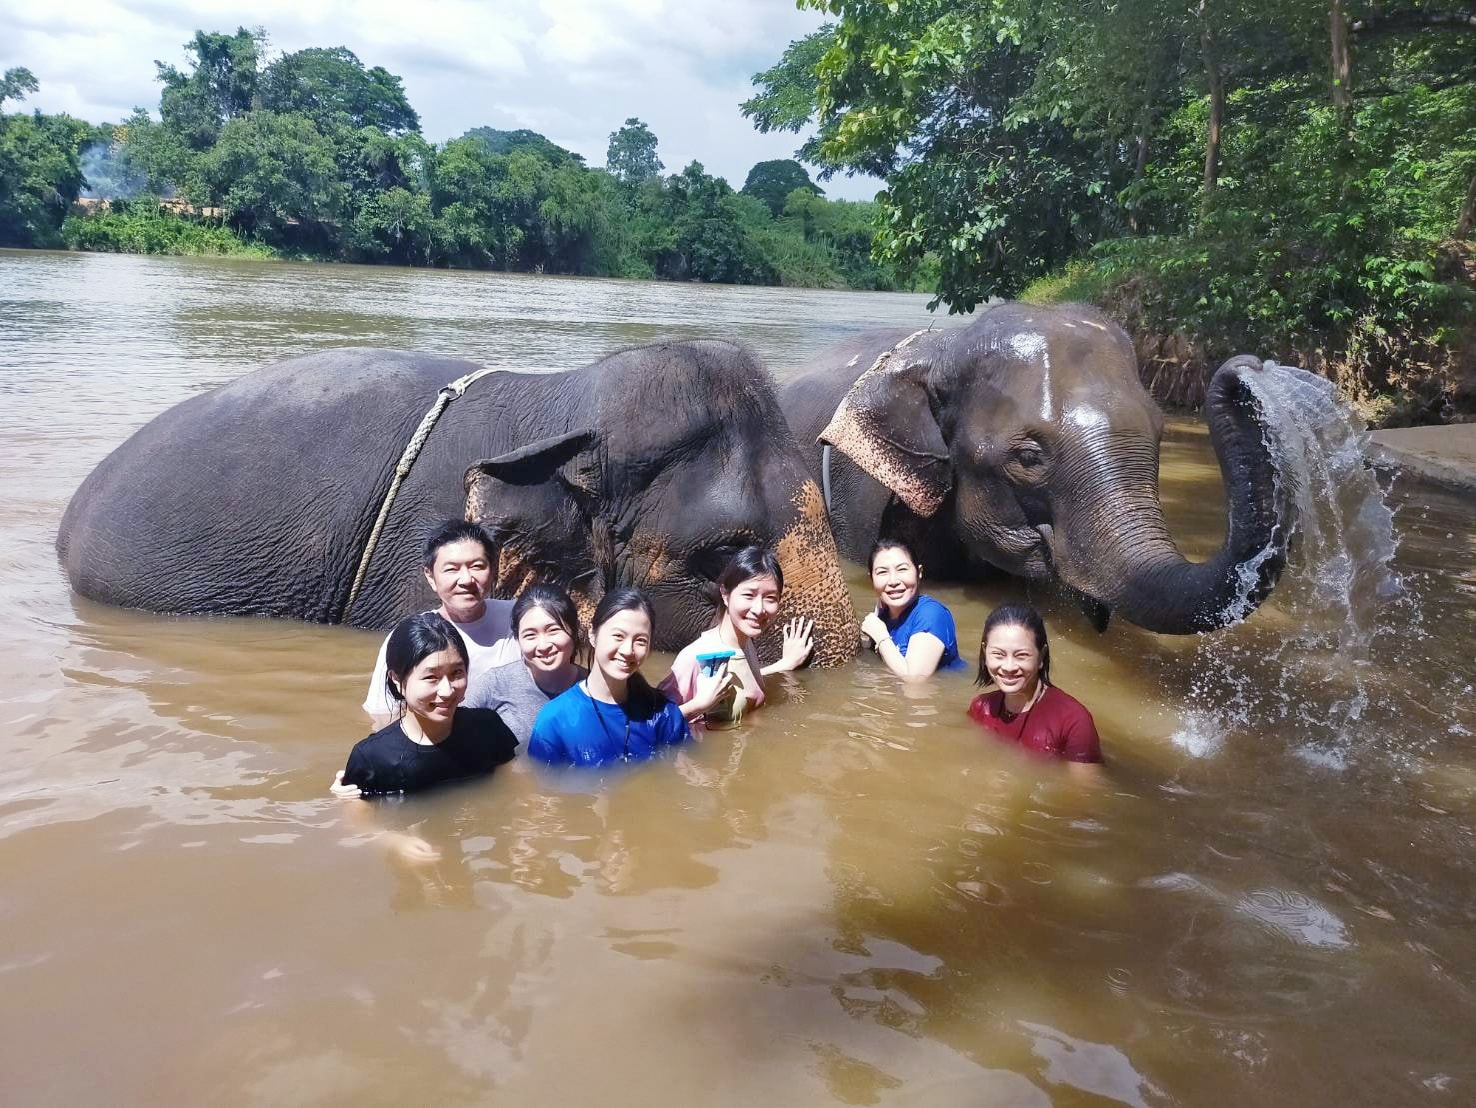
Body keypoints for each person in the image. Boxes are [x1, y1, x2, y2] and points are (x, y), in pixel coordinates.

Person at [333, 612, 519, 797]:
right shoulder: (372, 758)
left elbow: (515, 784)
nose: (447, 691)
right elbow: (361, 821)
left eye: (457, 673)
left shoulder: (488, 727)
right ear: (396, 679)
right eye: (431, 677)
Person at [362, 519, 519, 726]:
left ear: (493, 569)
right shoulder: (410, 637)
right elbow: (383, 716)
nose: (466, 580)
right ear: (430, 576)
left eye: (477, 566)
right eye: (452, 569)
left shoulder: (522, 618)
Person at [528, 587, 691, 766]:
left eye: (641, 641)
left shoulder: (663, 713)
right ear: (593, 635)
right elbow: (541, 789)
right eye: (618, 636)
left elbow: (683, 777)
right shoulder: (555, 721)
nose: (628, 650)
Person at [660, 545, 814, 727]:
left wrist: (784, 664)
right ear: (725, 594)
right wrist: (699, 705)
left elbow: (738, 679)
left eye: (770, 598)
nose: (759, 609)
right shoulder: (696, 658)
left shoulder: (745, 645)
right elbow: (651, 724)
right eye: (749, 595)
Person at [967, 603, 1103, 768]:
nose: (1009, 667)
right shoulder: (981, 708)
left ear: (1041, 656)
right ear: (985, 652)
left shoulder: (1074, 722)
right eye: (998, 654)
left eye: (1021, 655)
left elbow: (1084, 792)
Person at [465, 583, 587, 743]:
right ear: (517, 639)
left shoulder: (594, 686)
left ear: (575, 629)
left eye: (553, 630)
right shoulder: (495, 683)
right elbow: (451, 729)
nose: (543, 646)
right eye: (530, 635)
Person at [858, 539, 966, 678]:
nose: (893, 581)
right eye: (882, 572)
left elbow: (914, 680)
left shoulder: (931, 613)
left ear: (919, 572)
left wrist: (881, 637)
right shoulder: (882, 615)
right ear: (871, 579)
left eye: (902, 569)